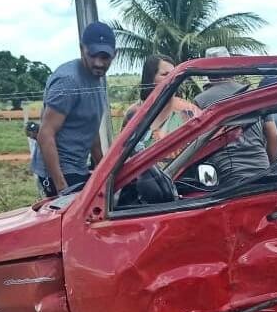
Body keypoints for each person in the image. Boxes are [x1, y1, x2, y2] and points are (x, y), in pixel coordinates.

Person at [32, 21, 115, 198]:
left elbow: (91, 130)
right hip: (60, 173)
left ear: (115, 54)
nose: (99, 63)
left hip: (79, 167)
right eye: (92, 55)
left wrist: (104, 171)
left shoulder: (97, 79)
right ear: (81, 49)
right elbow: (45, 134)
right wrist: (62, 188)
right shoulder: (68, 81)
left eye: (105, 57)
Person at [193, 65, 277, 185]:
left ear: (208, 75)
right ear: (233, 71)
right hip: (261, 166)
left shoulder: (200, 100)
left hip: (227, 171)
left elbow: (195, 143)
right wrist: (271, 166)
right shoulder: (255, 94)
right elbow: (274, 135)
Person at [123, 54, 199, 150]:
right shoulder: (134, 113)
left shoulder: (188, 110)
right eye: (165, 74)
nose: (173, 78)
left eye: (175, 74)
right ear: (150, 78)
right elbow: (123, 150)